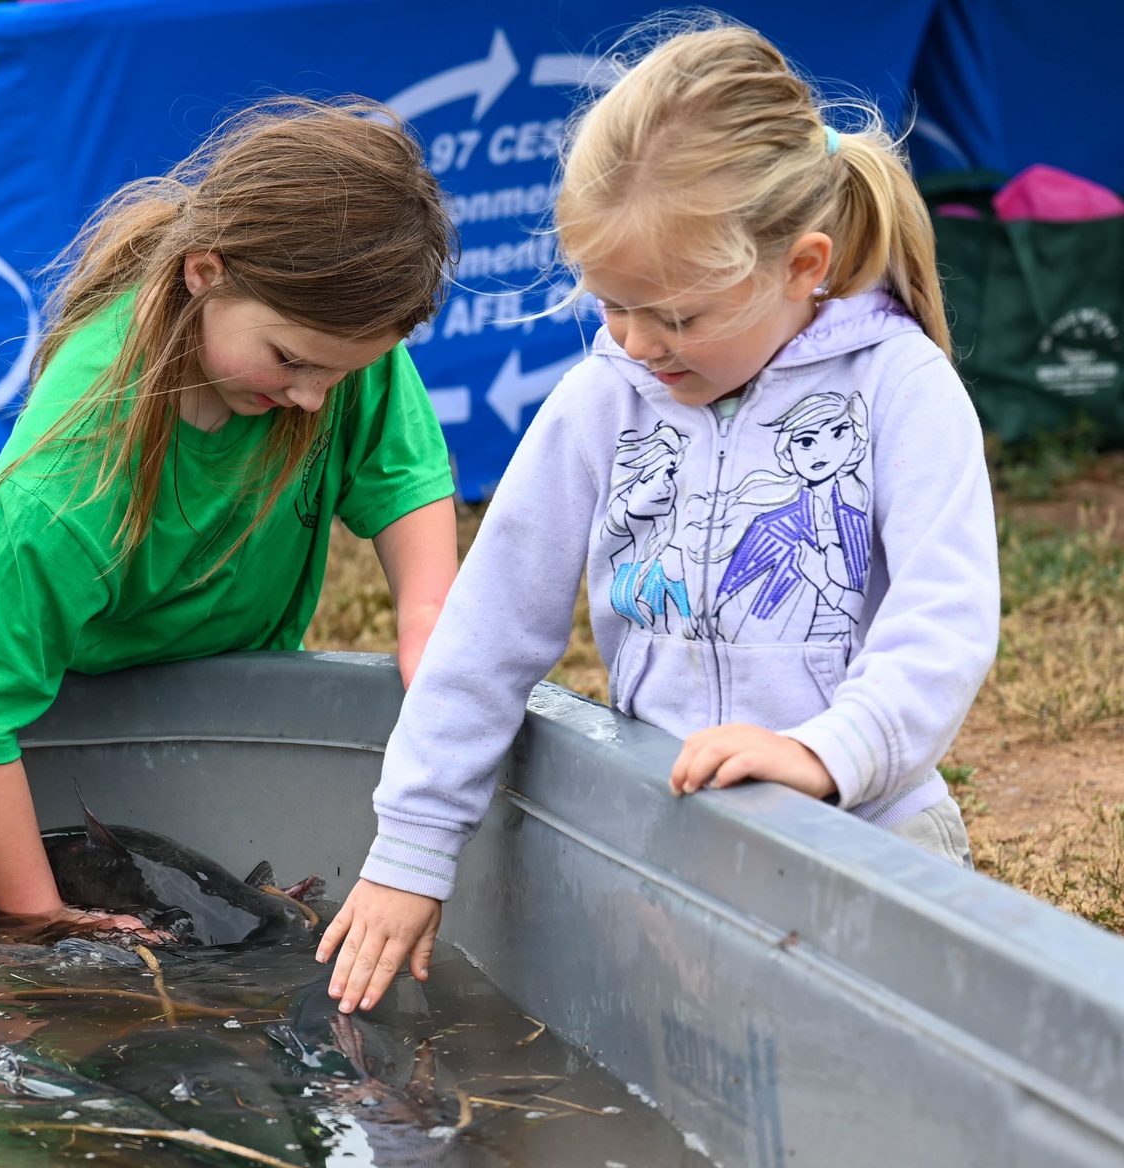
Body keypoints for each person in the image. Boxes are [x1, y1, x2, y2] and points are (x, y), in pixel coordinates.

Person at [319, 21, 999, 1014]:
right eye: (609, 304)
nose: (635, 343)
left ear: (801, 265)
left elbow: (942, 617)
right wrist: (412, 846)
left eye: (675, 316)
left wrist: (824, 752)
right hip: (674, 853)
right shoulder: (605, 390)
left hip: (872, 847)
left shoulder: (900, 385)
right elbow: (488, 625)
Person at [0, 99, 462, 935]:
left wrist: (429, 618)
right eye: (292, 363)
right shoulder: (68, 482)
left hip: (237, 689)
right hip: (74, 712)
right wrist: (42, 919)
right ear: (205, 271)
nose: (313, 399)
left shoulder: (332, 347)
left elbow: (403, 476)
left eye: (338, 377)